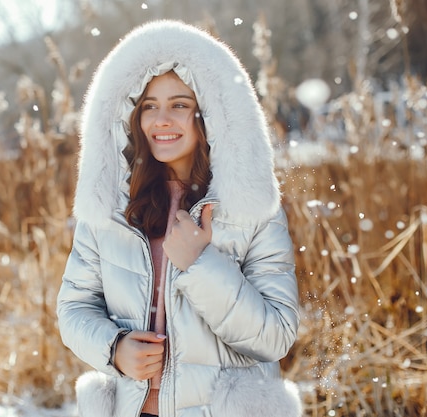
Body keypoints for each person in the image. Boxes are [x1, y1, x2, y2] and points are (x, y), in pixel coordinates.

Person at [56, 20, 301, 417]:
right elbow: (74, 309)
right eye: (149, 106)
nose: (161, 120)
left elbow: (275, 337)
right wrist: (114, 349)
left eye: (180, 105)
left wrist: (200, 265)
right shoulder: (112, 208)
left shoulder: (250, 210)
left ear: (210, 115)